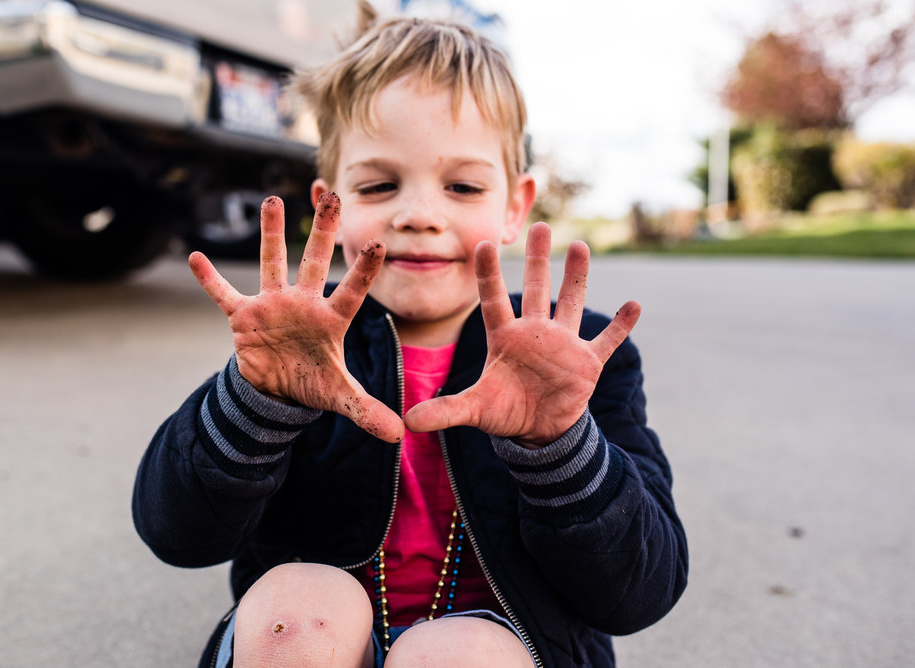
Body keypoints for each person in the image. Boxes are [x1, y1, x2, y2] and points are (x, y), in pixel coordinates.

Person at [132, 4, 688, 667]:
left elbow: (639, 594)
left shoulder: (582, 362)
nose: (420, 215)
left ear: (514, 205)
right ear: (328, 206)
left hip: (505, 650)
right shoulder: (300, 351)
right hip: (327, 646)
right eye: (378, 185)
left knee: (453, 655)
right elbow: (176, 533)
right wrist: (257, 404)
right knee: (296, 612)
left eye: (461, 185)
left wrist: (561, 447)